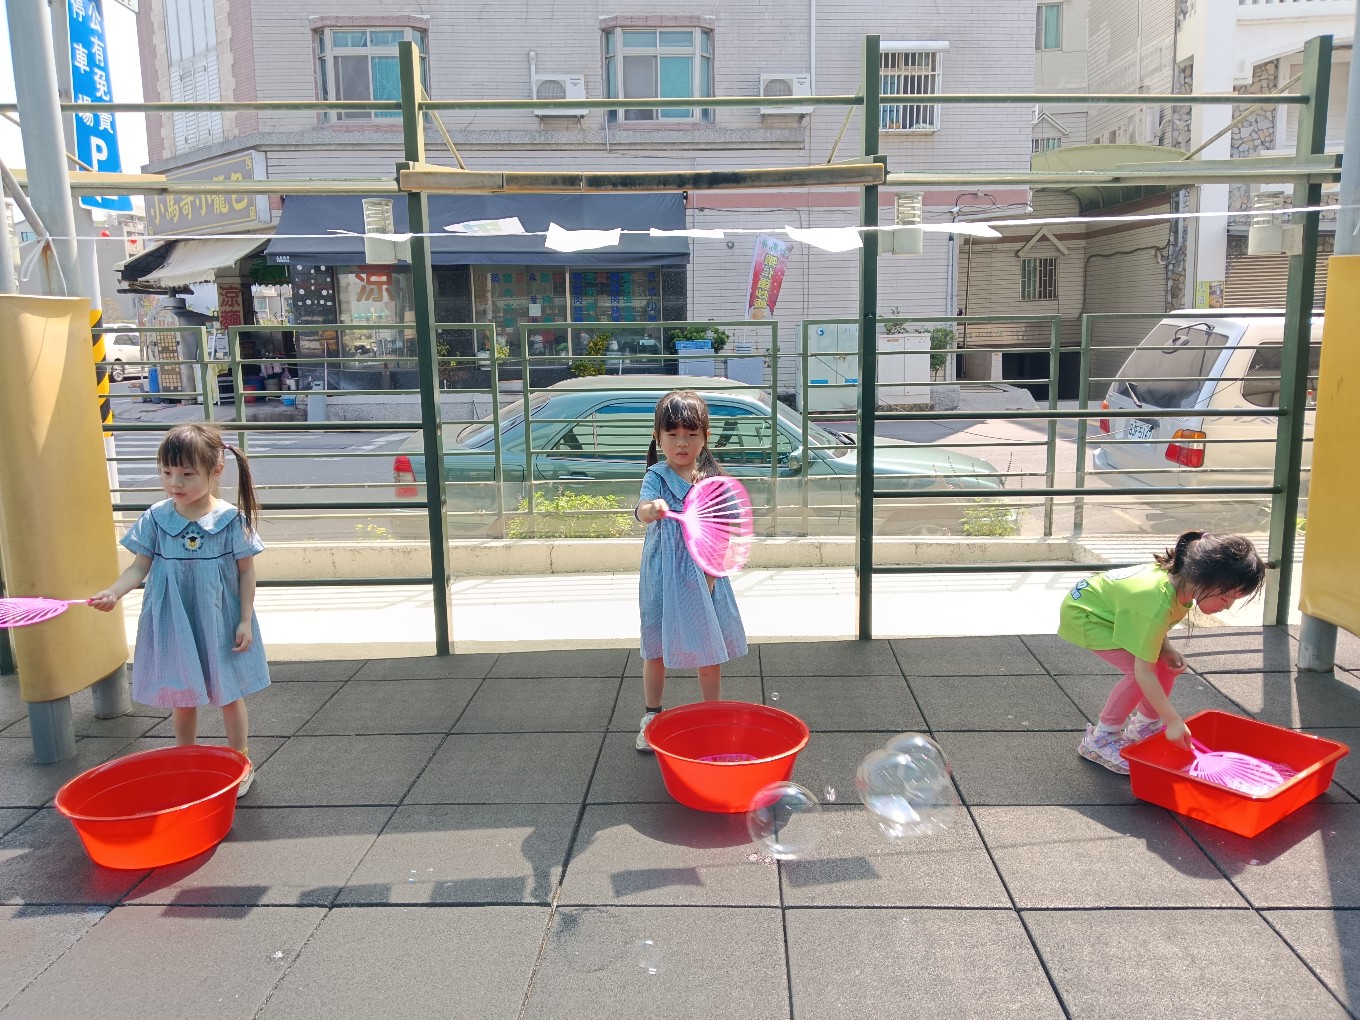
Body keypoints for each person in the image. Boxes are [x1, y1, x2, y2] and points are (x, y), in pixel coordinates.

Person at [90, 423, 270, 796]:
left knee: (228, 693)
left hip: (218, 619)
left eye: (187, 474)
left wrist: (244, 620)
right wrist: (113, 593)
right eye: (167, 472)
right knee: (182, 696)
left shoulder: (229, 520)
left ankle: (240, 761)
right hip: (175, 619)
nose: (175, 482)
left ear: (216, 470)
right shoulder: (157, 517)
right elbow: (139, 567)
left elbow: (246, 571)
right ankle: (185, 760)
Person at [1059, 530, 1265, 774]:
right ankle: (1102, 738)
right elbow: (1144, 663)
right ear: (1203, 579)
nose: (1228, 606)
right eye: (1224, 598)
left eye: (1233, 600)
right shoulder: (1157, 600)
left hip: (1116, 610)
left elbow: (1150, 622)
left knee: (1164, 665)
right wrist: (1173, 721)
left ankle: (1145, 724)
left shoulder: (1182, 585)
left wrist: (1165, 647)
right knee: (1138, 674)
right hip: (1087, 615)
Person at [633, 390, 748, 751]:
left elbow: (727, 532)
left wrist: (712, 576)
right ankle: (652, 716)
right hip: (662, 577)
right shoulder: (657, 475)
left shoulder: (714, 482)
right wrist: (652, 509)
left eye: (691, 434)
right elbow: (641, 510)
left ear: (705, 437)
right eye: (672, 434)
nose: (681, 442)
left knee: (709, 652)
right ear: (658, 437)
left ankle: (712, 715)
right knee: (655, 649)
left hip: (703, 578)